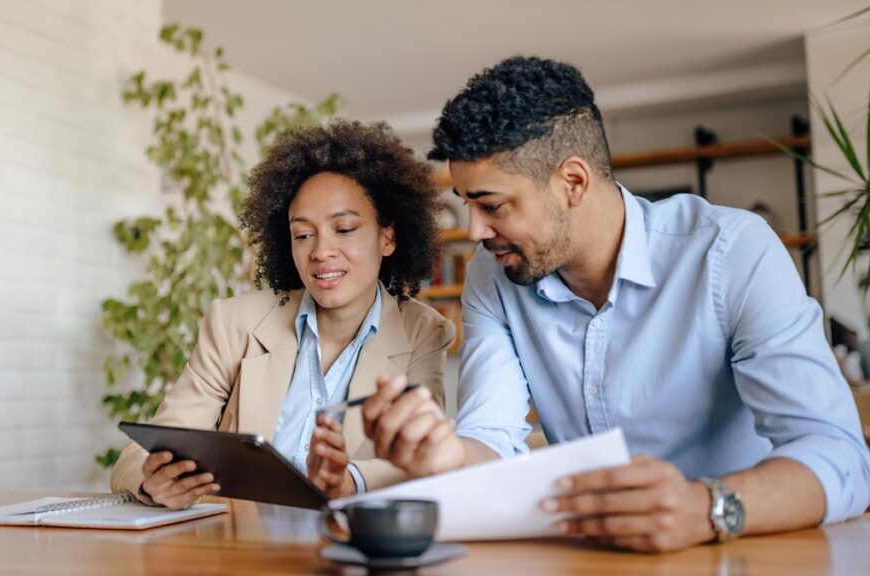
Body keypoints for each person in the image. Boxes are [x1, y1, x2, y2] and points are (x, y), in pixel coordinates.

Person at [360, 56, 870, 552]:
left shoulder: (731, 251)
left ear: (573, 182)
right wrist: (447, 455)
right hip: (593, 559)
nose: (474, 231)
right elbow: (490, 437)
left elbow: (840, 456)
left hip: (739, 552)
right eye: (469, 205)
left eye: (492, 205)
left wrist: (701, 508)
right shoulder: (493, 278)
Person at [111, 120, 455, 508]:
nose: (321, 251)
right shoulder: (234, 323)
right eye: (303, 234)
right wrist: (153, 480)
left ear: (387, 236)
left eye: (343, 229)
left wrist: (350, 480)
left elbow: (423, 460)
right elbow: (137, 455)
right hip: (239, 550)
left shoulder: (423, 332)